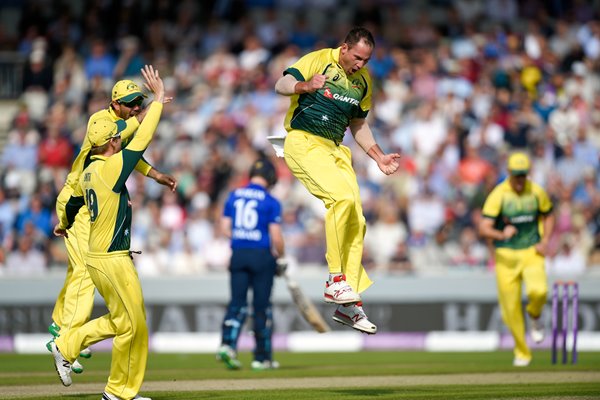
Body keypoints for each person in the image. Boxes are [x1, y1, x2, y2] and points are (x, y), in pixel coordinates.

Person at [50, 64, 166, 400]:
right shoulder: (113, 168)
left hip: (103, 259)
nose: (120, 138)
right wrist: (157, 101)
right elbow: (142, 138)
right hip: (113, 261)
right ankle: (117, 393)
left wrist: (65, 223)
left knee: (123, 321)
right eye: (117, 137)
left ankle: (67, 344)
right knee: (133, 325)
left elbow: (71, 202)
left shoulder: (89, 170)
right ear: (111, 142)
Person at [274, 27, 400, 334]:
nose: (360, 64)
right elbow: (282, 83)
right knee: (340, 200)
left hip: (335, 149)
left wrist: (379, 156)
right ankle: (335, 280)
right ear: (344, 48)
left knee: (356, 218)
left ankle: (350, 307)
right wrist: (305, 85)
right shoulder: (319, 60)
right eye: (357, 57)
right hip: (304, 141)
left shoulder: (364, 81)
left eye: (366, 60)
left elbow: (358, 124)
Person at [478, 152, 555, 367]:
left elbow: (549, 214)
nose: (520, 180)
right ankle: (522, 352)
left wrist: (546, 239)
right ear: (509, 173)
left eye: (523, 175)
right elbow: (484, 227)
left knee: (538, 291)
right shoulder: (499, 195)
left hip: (531, 252)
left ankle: (535, 314)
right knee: (510, 310)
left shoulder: (536, 191)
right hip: (506, 257)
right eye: (516, 175)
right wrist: (501, 234)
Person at [217, 157, 285, 371]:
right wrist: (281, 258)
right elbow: (276, 235)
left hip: (238, 253)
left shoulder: (234, 195)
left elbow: (225, 227)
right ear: (271, 177)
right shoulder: (270, 201)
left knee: (236, 304)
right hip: (261, 256)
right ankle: (261, 357)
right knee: (261, 308)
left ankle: (227, 345)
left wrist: (241, 238)